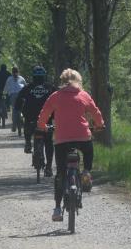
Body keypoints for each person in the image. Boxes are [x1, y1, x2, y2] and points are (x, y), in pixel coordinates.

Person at [37, 68, 105, 222]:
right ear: (78, 81)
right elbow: (95, 112)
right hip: (82, 136)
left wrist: (42, 126)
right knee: (88, 150)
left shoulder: (55, 96)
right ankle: (86, 172)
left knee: (60, 174)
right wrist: (100, 124)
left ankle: (57, 209)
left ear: (62, 81)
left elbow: (44, 113)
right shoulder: (83, 95)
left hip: (62, 138)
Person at [15, 66, 57, 175]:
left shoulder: (28, 87)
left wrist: (18, 109)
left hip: (31, 119)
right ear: (44, 76)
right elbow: (60, 100)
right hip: (46, 120)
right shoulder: (50, 88)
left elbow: (19, 100)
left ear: (33, 76)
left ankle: (28, 142)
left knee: (27, 124)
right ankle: (48, 167)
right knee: (48, 143)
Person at [4, 66, 26, 133]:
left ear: (12, 72)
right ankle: (22, 118)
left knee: (14, 110)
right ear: (18, 72)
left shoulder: (9, 79)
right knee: (22, 109)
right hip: (21, 96)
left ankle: (14, 125)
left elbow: (6, 88)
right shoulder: (22, 78)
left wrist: (4, 93)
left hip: (13, 96)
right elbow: (26, 87)